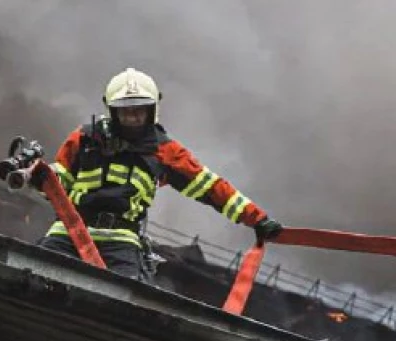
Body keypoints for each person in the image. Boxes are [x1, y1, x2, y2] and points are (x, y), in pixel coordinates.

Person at [35, 67, 282, 281]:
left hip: (120, 242)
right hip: (68, 231)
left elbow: (211, 187)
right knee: (34, 277)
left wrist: (257, 219)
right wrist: (38, 176)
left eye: (139, 111)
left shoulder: (164, 151)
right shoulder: (84, 138)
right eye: (125, 111)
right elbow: (59, 180)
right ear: (112, 110)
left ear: (152, 110)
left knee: (122, 304)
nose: (132, 118)